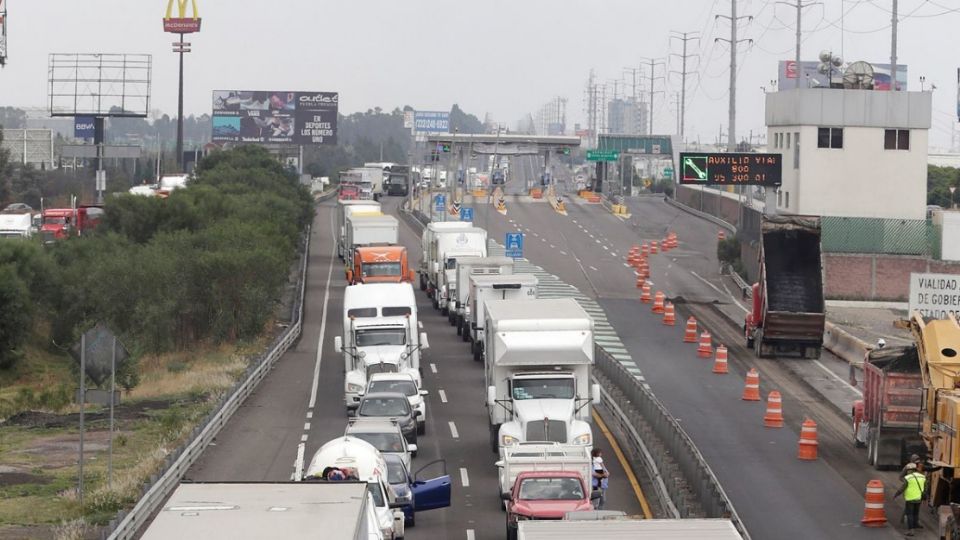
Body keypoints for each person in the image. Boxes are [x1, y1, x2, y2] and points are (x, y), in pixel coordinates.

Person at [894, 461, 926, 535]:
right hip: (918, 499)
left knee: (910, 514)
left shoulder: (908, 478)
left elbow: (902, 488)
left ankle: (911, 530)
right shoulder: (922, 477)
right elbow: (925, 488)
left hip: (910, 499)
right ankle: (915, 525)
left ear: (910, 471)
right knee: (916, 513)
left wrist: (896, 494)